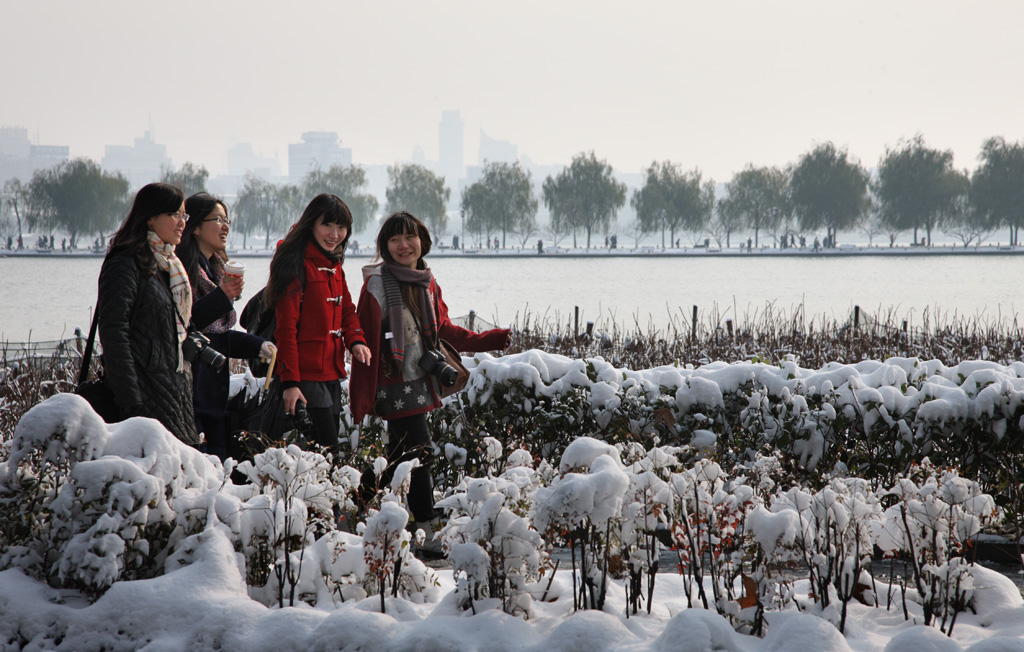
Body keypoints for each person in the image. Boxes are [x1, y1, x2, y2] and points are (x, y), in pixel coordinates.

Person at [350, 211, 510, 542]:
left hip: (420, 383)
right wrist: (361, 396)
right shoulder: (377, 286)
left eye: (409, 237)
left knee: (398, 457)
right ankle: (424, 523)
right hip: (392, 386)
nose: (403, 245)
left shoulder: (427, 282)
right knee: (420, 452)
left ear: (423, 242)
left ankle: (353, 506)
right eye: (394, 239)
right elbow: (363, 343)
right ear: (385, 246)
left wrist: (489, 339)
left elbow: (445, 330)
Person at [97, 183, 210, 446]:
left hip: (175, 390)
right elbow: (114, 334)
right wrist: (130, 400)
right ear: (149, 218)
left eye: (184, 215)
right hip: (143, 396)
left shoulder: (170, 265)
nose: (182, 222)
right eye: (174, 215)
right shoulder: (126, 264)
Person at [263, 193, 371, 450]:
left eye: (341, 227)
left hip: (331, 373)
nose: (334, 234)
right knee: (326, 450)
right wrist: (290, 383)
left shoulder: (334, 265)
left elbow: (347, 310)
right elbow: (285, 330)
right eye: (327, 225)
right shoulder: (294, 265)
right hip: (305, 376)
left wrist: (355, 340)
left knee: (325, 453)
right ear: (311, 224)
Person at [176, 192, 272, 460]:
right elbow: (188, 325)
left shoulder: (215, 267)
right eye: (217, 219)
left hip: (214, 395)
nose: (226, 226)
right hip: (192, 395)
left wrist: (259, 345)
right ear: (194, 226)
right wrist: (223, 296)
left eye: (227, 220)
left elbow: (218, 337)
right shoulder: (181, 270)